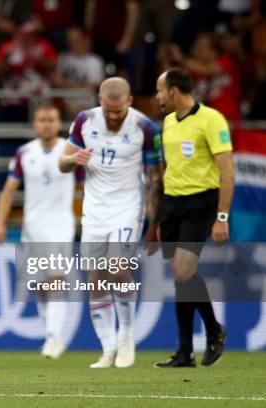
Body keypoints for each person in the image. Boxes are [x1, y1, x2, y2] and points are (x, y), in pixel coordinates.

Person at [59, 77, 163, 368]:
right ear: (100, 102)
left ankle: (127, 335)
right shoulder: (84, 121)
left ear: (129, 101)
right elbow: (61, 163)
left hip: (128, 207)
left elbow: (157, 178)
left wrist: (156, 222)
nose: (114, 116)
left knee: (117, 269)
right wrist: (74, 159)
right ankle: (107, 349)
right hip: (94, 210)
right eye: (108, 111)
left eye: (119, 111)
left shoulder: (145, 127)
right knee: (96, 278)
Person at [153, 68, 232, 368]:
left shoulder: (212, 120)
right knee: (179, 276)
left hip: (201, 201)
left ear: (174, 90)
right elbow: (166, 169)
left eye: (160, 90)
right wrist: (158, 217)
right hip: (172, 203)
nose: (158, 97)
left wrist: (221, 216)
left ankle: (214, 330)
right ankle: (185, 351)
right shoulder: (168, 122)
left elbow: (228, 170)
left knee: (185, 270)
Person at [0, 105, 76, 359]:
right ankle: (52, 335)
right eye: (42, 120)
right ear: (35, 124)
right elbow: (9, 190)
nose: (47, 124)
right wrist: (0, 222)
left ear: (59, 122)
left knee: (56, 279)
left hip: (61, 223)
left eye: (51, 119)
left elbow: (88, 181)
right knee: (40, 284)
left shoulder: (70, 150)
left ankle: (52, 339)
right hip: (32, 225)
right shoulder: (24, 153)